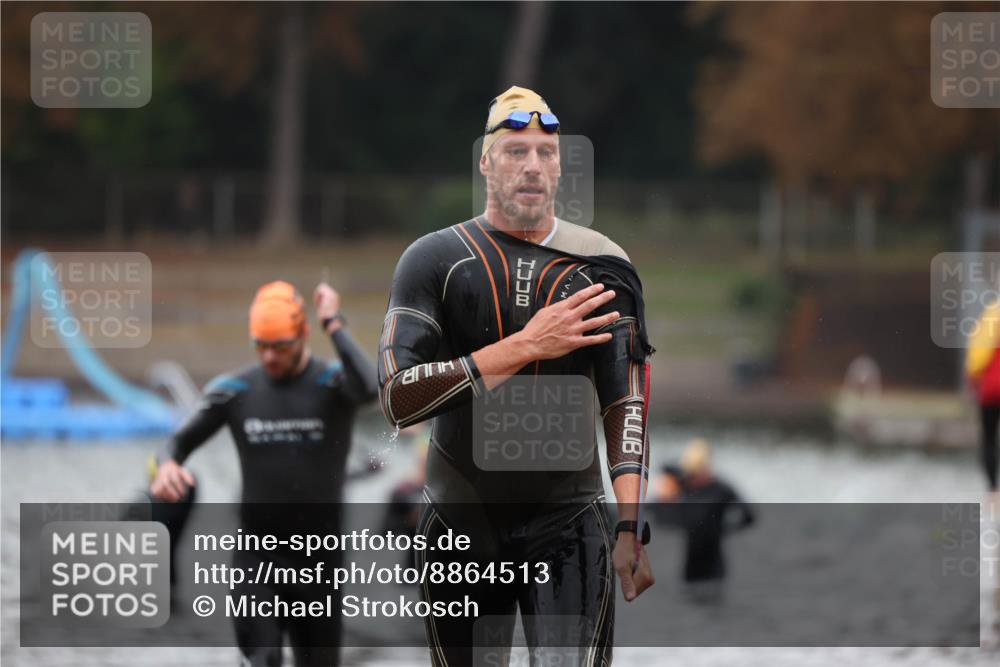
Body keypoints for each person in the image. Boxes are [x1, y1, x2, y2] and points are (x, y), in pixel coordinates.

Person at [378, 85, 655, 666]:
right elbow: (399, 399)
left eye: (546, 153)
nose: (532, 165)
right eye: (514, 151)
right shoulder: (433, 260)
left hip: (569, 522)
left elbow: (623, 402)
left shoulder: (603, 264)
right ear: (485, 162)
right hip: (461, 521)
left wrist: (629, 524)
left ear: (561, 166)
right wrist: (527, 345)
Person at [151, 280, 379, 667]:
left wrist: (333, 321)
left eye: (281, 346)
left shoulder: (333, 384)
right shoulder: (235, 390)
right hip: (257, 561)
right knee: (262, 660)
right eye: (261, 345)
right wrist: (168, 466)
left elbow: (372, 388)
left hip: (319, 563)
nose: (270, 356)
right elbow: (176, 444)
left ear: (304, 333)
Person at [654, 439, 754, 604]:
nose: (693, 478)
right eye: (690, 472)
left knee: (713, 599)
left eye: (696, 472)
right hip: (690, 566)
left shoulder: (721, 489)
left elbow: (749, 516)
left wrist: (726, 529)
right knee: (689, 598)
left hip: (714, 565)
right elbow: (665, 468)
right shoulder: (686, 486)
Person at [966, 299, 1000, 497]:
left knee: (989, 439)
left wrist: (973, 377)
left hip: (991, 390)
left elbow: (977, 357)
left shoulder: (992, 314)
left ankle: (993, 490)